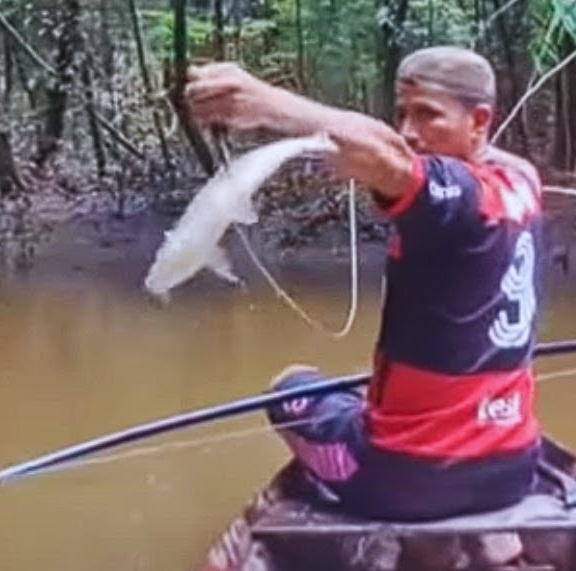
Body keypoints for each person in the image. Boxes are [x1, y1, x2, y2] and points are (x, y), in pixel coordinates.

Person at [185, 47, 545, 525]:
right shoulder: (522, 179)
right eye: (402, 115)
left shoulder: (454, 200)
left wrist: (264, 102)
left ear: (479, 121)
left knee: (290, 386)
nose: (409, 132)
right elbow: (429, 159)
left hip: (407, 481)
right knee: (370, 388)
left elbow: (388, 157)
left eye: (427, 115)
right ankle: (491, 538)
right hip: (514, 469)